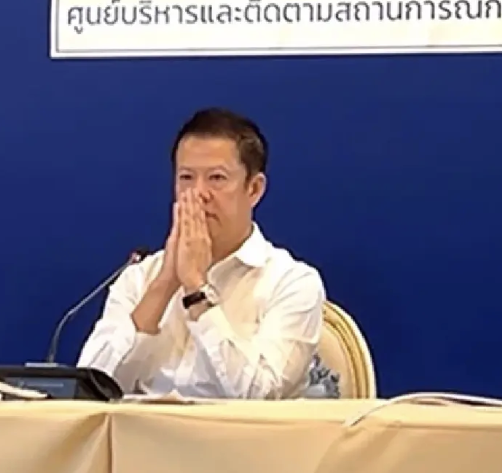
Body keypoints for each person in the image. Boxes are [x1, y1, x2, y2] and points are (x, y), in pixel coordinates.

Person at [77, 107, 326, 399]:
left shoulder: (293, 283)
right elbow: (88, 392)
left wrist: (196, 289)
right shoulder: (140, 277)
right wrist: (164, 285)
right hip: (141, 430)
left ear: (254, 189)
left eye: (216, 178)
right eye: (186, 178)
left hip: (237, 430)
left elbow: (262, 396)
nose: (198, 194)